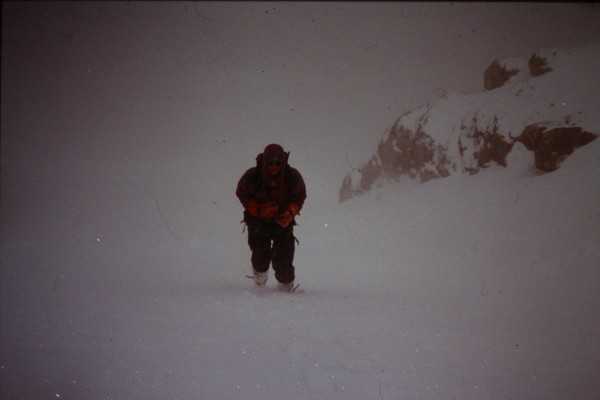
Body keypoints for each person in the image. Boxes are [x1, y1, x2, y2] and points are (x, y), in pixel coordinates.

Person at [236, 143, 307, 292]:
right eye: (270, 162)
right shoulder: (252, 176)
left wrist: (289, 212)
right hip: (258, 222)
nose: (274, 166)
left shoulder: (292, 177)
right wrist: (259, 209)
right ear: (264, 162)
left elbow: (300, 196)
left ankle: (286, 291)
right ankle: (260, 288)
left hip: (283, 224)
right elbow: (241, 193)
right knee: (260, 259)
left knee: (284, 261)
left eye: (278, 163)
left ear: (283, 162)